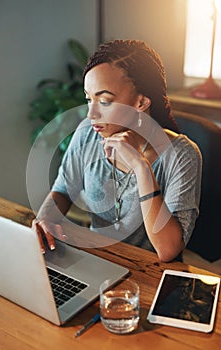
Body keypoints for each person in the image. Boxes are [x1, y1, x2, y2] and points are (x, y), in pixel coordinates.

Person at [32, 39, 202, 262]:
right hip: (98, 261)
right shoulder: (87, 133)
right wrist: (44, 220)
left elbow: (167, 250)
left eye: (104, 101)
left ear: (141, 102)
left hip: (150, 274)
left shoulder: (182, 155)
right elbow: (63, 190)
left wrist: (141, 167)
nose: (90, 114)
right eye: (88, 99)